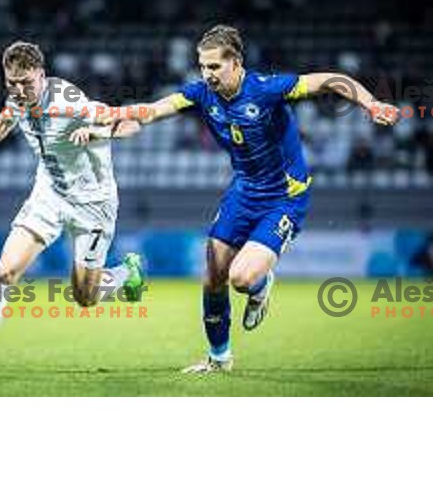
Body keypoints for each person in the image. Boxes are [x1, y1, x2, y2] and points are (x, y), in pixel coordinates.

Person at [98, 25, 399, 373]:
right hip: (243, 192)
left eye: (214, 67)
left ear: (236, 62)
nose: (206, 74)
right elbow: (151, 111)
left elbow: (331, 80)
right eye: (203, 66)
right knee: (212, 275)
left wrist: (371, 103)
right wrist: (112, 124)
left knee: (240, 278)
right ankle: (219, 359)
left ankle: (260, 284)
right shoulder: (201, 95)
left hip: (285, 197)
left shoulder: (267, 89)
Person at [0, 41, 144, 377]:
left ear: (42, 75)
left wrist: (95, 131)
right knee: (5, 272)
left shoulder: (70, 102)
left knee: (85, 296)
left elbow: (131, 123)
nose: (19, 91)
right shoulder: (18, 99)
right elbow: (3, 122)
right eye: (12, 83)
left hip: (93, 203)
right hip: (48, 196)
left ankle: (125, 274)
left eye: (27, 83)